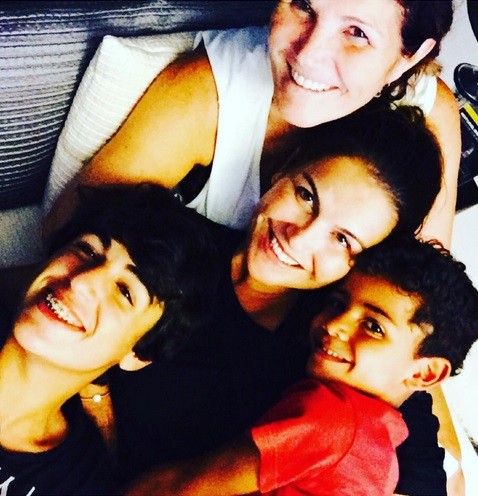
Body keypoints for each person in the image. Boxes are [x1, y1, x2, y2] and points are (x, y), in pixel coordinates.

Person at [104, 104, 446, 493]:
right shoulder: (170, 249)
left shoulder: (343, 346)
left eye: (341, 239)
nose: (299, 238)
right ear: (284, 169)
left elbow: (424, 481)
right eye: (306, 196)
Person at [44, 0, 459, 248]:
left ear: (409, 58)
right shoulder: (205, 96)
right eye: (303, 5)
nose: (307, 53)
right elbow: (68, 239)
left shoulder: (431, 112)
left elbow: (419, 301)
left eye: (356, 32)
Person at [121, 235, 478, 496]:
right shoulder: (382, 444)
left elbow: (181, 487)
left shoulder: (331, 418)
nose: (335, 325)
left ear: (425, 373)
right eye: (337, 303)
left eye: (373, 326)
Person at [0, 184, 217, 495]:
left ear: (137, 353)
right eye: (87, 250)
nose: (80, 281)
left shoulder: (76, 482)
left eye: (125, 291)